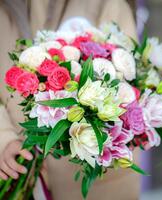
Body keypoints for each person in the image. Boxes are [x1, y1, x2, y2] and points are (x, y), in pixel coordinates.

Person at [0, 0, 140, 199]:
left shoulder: (107, 4)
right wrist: (3, 138)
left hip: (97, 181)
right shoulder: (5, 12)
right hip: (18, 166)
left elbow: (129, 79)